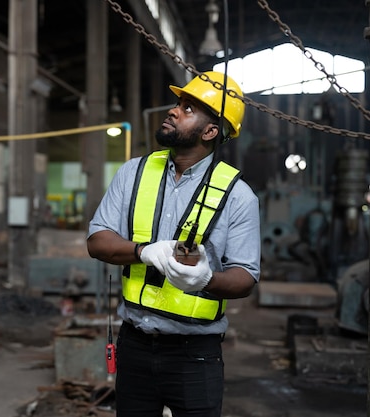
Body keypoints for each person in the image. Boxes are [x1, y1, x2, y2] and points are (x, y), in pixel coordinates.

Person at [87, 71, 261, 417]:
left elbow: (246, 276)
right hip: (134, 342)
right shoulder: (133, 173)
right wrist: (143, 251)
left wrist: (206, 280)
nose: (173, 111)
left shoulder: (238, 196)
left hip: (195, 354)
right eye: (178, 103)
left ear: (211, 132)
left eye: (189, 108)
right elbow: (97, 240)